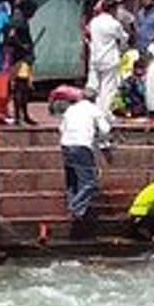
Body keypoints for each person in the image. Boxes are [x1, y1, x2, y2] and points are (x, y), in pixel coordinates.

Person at [58, 91, 112, 238]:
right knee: (90, 181)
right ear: (95, 99)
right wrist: (104, 141)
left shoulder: (71, 109)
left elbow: (61, 128)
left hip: (65, 145)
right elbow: (106, 129)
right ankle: (76, 208)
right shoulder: (94, 110)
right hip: (81, 146)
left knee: (73, 180)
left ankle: (75, 208)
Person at [86, 0, 127, 115]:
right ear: (113, 9)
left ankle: (92, 112)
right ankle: (104, 114)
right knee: (108, 89)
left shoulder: (94, 22)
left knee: (94, 86)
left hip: (95, 58)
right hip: (109, 60)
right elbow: (124, 38)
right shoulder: (114, 24)